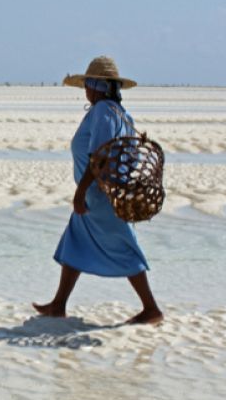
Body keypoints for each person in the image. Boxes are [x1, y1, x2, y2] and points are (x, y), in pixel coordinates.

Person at [33, 56, 164, 325]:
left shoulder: (103, 111)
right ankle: (58, 304)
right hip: (103, 191)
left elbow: (99, 157)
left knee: (123, 244)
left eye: (88, 85)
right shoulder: (120, 113)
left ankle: (151, 308)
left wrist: (81, 192)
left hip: (100, 194)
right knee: (75, 241)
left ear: (97, 85)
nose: (85, 90)